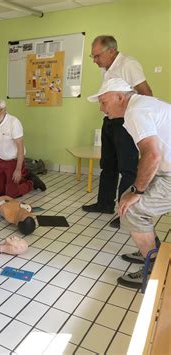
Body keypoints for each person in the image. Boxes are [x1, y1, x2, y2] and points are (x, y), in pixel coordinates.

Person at [88, 78, 170, 289]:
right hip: (165, 170)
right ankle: (152, 250)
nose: (101, 108)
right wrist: (134, 190)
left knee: (131, 209)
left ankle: (155, 271)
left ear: (120, 97)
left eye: (104, 102)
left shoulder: (135, 112)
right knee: (129, 198)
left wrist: (137, 190)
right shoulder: (142, 104)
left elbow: (151, 154)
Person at [82, 35, 153, 229]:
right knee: (108, 164)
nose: (95, 60)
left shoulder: (128, 64)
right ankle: (104, 203)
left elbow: (146, 93)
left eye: (97, 56)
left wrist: (135, 117)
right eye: (92, 56)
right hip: (110, 119)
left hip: (126, 120)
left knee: (127, 168)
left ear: (111, 51)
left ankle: (125, 213)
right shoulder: (107, 68)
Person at [0, 99, 45, 198]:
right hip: (0, 159)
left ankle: (31, 182)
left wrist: (18, 169)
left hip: (13, 161)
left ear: (4, 110)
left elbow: (20, 147)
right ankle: (20, 178)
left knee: (11, 194)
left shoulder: (14, 122)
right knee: (0, 193)